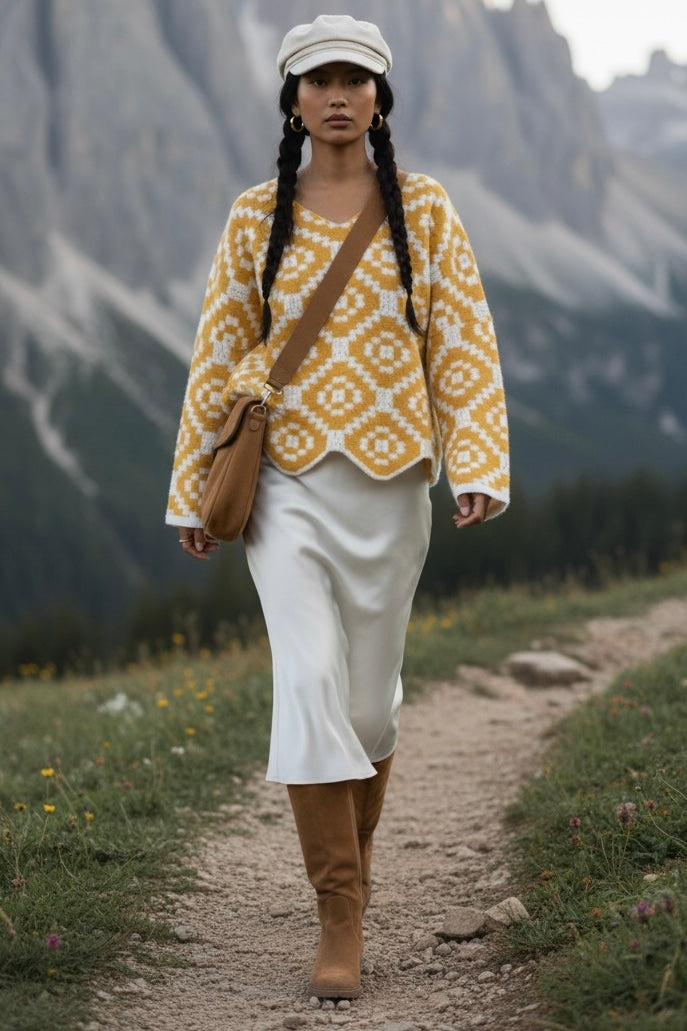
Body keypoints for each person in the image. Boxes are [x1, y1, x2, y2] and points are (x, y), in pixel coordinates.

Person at [165, 14, 509, 1001]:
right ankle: (341, 911)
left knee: (368, 703)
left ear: (380, 94)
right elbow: (219, 352)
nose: (339, 93)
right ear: (293, 97)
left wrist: (476, 457)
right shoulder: (251, 216)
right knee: (310, 679)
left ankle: (346, 875)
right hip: (287, 489)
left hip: (396, 487)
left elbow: (462, 338)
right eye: (319, 79)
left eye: (356, 77)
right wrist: (198, 484)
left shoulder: (429, 209)